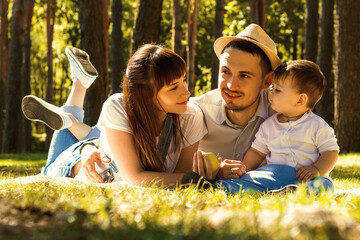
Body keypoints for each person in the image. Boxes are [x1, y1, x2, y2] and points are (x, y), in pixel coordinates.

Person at [22, 44, 207, 186]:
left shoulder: (191, 116)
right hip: (71, 166)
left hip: (99, 144)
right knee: (46, 171)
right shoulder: (118, 106)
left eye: (184, 80)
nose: (187, 92)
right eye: (174, 87)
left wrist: (205, 175)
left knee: (94, 138)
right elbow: (137, 178)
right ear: (145, 94)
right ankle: (74, 102)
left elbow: (180, 178)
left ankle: (72, 109)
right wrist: (199, 180)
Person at [183, 60, 340, 194]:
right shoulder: (269, 124)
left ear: (300, 100)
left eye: (277, 90)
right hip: (273, 174)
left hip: (305, 177)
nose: (270, 92)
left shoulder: (316, 125)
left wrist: (317, 169)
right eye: (272, 87)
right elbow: (257, 152)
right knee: (251, 180)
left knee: (325, 184)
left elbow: (331, 151)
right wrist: (244, 169)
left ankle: (296, 193)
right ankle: (218, 187)